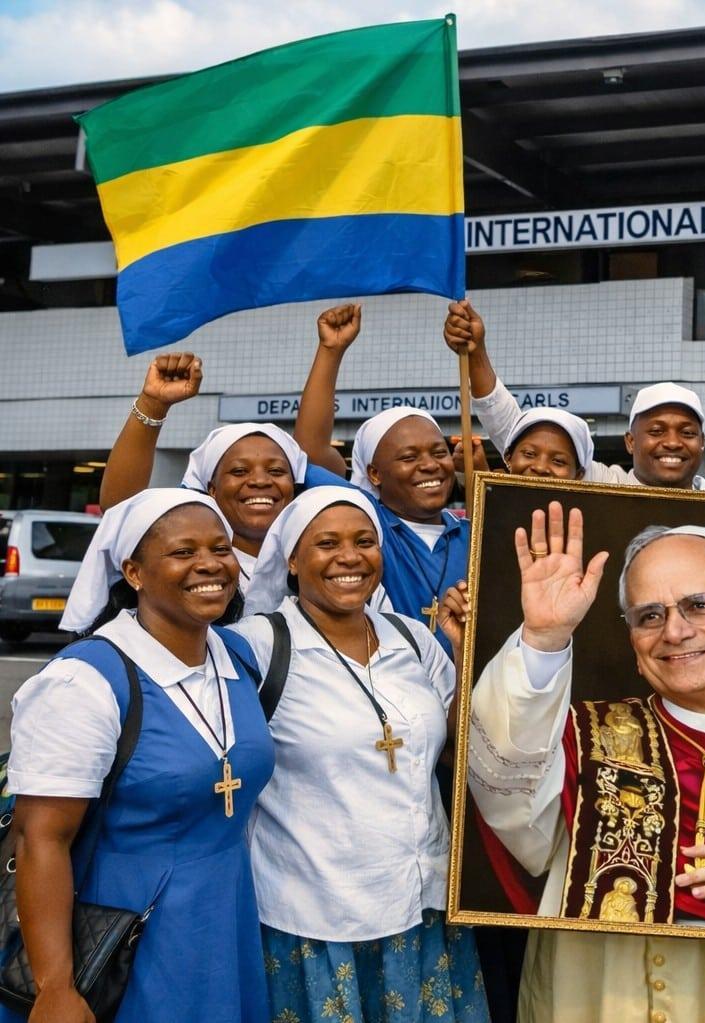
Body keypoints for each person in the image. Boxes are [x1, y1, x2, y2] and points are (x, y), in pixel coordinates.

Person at [451, 503, 705, 1022]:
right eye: (649, 616)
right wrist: (543, 638)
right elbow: (500, 782)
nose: (674, 632)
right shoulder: (581, 734)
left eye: (700, 605)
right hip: (593, 990)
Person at [3, 490, 274, 1023]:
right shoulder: (84, 680)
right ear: (134, 571)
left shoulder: (237, 655)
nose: (209, 565)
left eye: (221, 549)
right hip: (125, 928)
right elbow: (41, 839)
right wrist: (55, 985)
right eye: (183, 552)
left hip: (225, 913)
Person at [227, 486, 488, 1023]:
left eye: (364, 541)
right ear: (293, 559)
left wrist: (464, 652)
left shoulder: (411, 637)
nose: (350, 557)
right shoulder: (255, 645)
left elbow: (457, 753)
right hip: (317, 914)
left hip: (422, 902)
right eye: (326, 543)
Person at [292, 303, 475, 655]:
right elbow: (310, 452)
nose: (430, 465)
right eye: (409, 457)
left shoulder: (476, 532)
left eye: (438, 452)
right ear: (374, 473)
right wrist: (331, 352)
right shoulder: (367, 525)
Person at [442, 300, 705, 488]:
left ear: (703, 442)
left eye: (687, 432)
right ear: (630, 441)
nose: (672, 443)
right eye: (657, 430)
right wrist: (477, 353)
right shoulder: (606, 485)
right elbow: (508, 424)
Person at [99, 353, 310, 585]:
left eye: (277, 471)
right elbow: (118, 509)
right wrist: (152, 405)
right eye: (239, 471)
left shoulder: (320, 561)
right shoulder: (185, 561)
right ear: (212, 489)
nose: (260, 481)